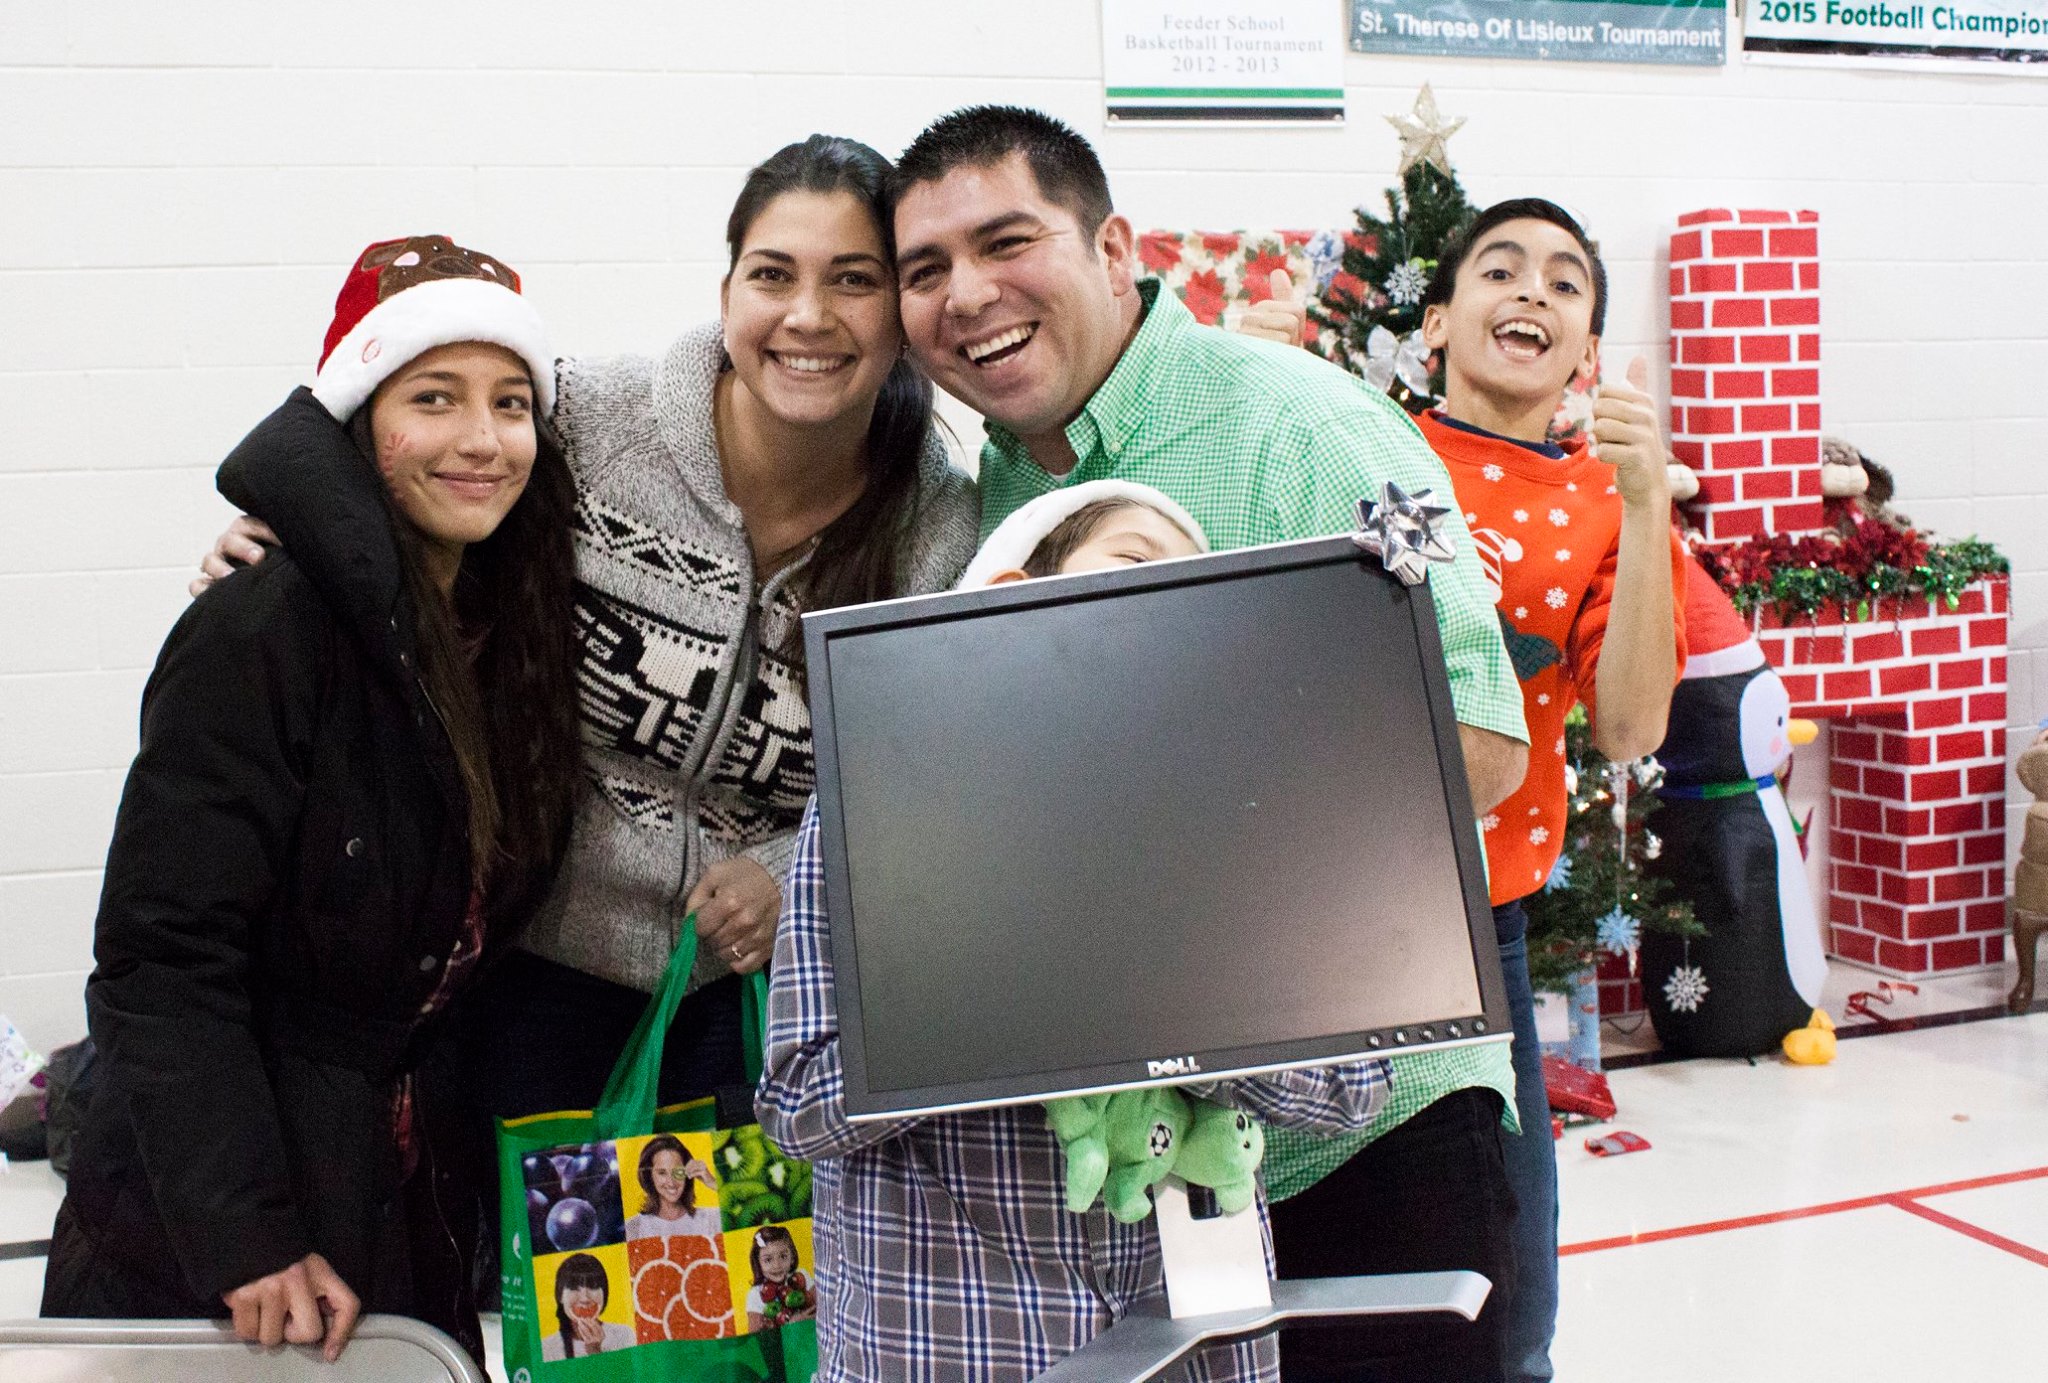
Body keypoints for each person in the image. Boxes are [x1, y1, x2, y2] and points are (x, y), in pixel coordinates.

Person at [868, 104, 1534, 1381]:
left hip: (1366, 1140)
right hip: (1155, 1186)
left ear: (1113, 248)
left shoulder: (1299, 429)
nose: (966, 296)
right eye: (923, 269)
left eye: (1005, 243)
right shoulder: (989, 498)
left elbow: (1478, 743)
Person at [194, 136, 982, 1120]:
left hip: (761, 992)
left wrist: (792, 876)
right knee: (534, 1222)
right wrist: (293, 539)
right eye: (772, 274)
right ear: (727, 289)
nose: (807, 315)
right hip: (532, 964)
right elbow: (422, 466)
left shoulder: (940, 528)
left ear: (900, 309)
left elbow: (928, 780)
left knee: (732, 1229)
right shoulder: (589, 423)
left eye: (853, 279)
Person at [40, 237, 582, 1366]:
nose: (482, 439)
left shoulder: (504, 634)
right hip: (221, 1242)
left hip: (392, 1197)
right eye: (433, 398)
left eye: (510, 402)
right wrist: (247, 1237)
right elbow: (162, 958)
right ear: (356, 419)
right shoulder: (262, 624)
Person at [757, 476, 1384, 1382]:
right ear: (1017, 594)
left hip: (1198, 1339)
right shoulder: (878, 804)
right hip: (956, 1343)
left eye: (1196, 591)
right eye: (1135, 561)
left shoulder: (1247, 825)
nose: (1169, 603)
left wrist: (1191, 1011)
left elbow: (1355, 1087)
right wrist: (1003, 999)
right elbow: (798, 1106)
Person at [1247, 199, 1688, 1383]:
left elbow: (1630, 726)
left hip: (1475, 934)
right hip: (1301, 916)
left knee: (1509, 1298)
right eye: (1500, 269)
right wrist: (1257, 381)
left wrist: (1646, 504)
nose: (1532, 290)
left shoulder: (1601, 503)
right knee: (1269, 1252)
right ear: (1436, 321)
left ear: (1585, 347)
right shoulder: (1356, 441)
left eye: (1564, 282)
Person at [625, 1134, 723, 1240]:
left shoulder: (712, 1219)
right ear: (649, 1176)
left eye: (678, 1171)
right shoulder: (633, 1228)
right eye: (662, 1173)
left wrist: (712, 1182)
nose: (671, 1182)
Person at [541, 1252, 637, 1360]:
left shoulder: (624, 1335)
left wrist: (595, 1351)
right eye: (573, 1288)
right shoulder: (546, 1348)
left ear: (604, 1293)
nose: (584, 1298)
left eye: (593, 1287)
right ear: (560, 1296)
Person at [742, 1224, 816, 1332]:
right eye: (768, 1260)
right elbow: (755, 1335)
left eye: (783, 1256)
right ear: (758, 1263)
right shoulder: (756, 1294)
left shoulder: (801, 1276)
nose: (777, 1265)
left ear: (792, 1257)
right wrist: (791, 1325)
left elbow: (821, 1306)